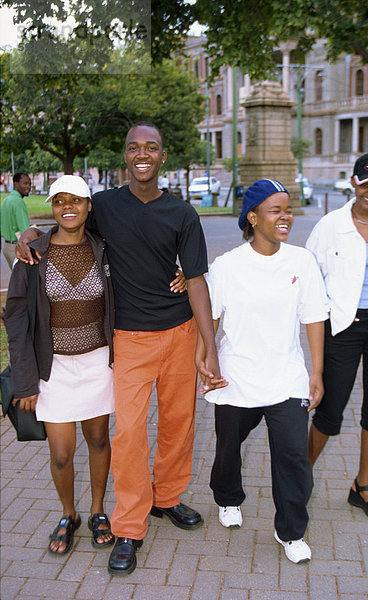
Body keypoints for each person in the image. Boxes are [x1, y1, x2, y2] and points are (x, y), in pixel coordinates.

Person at [17, 122, 223, 576]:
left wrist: (209, 346)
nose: (142, 154)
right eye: (134, 148)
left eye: (151, 147)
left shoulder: (182, 213)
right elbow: (63, 221)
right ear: (125, 156)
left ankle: (166, 498)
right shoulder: (105, 206)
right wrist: (28, 234)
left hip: (180, 332)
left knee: (178, 425)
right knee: (129, 434)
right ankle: (129, 525)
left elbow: (195, 280)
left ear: (162, 156)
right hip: (128, 340)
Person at [198, 179, 329, 564]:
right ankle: (227, 497)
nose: (285, 216)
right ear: (253, 217)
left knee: (292, 457)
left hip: (286, 377)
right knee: (227, 449)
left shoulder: (301, 262)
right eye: (276, 210)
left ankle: (291, 530)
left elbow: (314, 318)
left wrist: (316, 372)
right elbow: (211, 318)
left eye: (288, 209)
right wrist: (204, 360)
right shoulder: (227, 266)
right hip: (236, 377)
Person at [4, 175, 116, 555]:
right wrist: (24, 383)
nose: (68, 207)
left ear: (88, 205)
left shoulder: (103, 248)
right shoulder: (34, 253)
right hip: (52, 369)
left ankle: (98, 510)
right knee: (61, 452)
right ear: (52, 207)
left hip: (98, 362)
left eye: (76, 200)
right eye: (59, 201)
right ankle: (69, 514)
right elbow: (16, 319)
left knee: (99, 439)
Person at [306, 152, 368, 519]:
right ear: (354, 183)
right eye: (366, 184)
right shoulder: (330, 225)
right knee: (330, 409)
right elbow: (310, 274)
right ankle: (301, 476)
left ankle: (362, 485)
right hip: (343, 326)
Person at [1, 172, 31, 269]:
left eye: (30, 184)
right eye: (25, 183)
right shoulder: (18, 202)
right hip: (17, 248)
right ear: (15, 184)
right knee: (23, 282)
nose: (28, 187)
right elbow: (25, 231)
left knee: (16, 280)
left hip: (6, 247)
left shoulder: (6, 200)